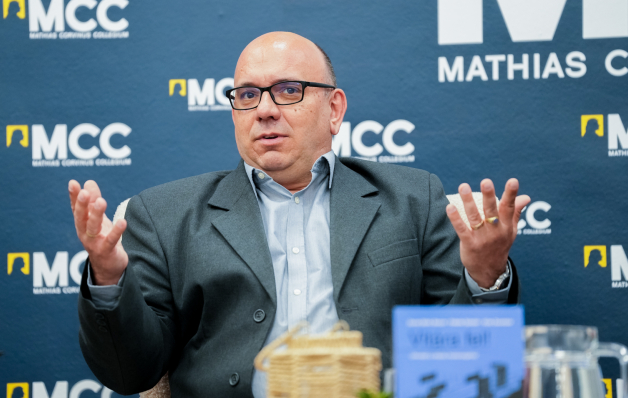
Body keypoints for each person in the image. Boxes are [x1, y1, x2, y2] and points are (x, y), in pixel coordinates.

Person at [70, 32, 530, 397]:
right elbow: (129, 373)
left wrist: (484, 276)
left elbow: (467, 373)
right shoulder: (164, 215)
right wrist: (108, 280)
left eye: (288, 90)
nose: (265, 110)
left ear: (334, 109)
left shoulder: (413, 198)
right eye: (247, 95)